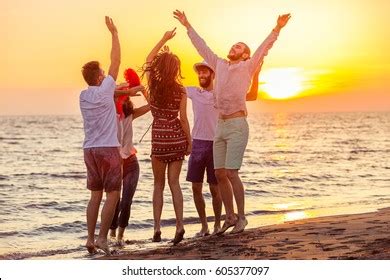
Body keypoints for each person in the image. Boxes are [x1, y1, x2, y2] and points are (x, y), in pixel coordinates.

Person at [174, 10, 291, 234]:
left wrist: (277, 28)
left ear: (246, 55)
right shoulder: (218, 64)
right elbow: (202, 47)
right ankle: (229, 216)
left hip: (237, 125)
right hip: (221, 125)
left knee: (231, 173)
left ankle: (242, 217)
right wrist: (188, 25)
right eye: (234, 45)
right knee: (219, 174)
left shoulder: (248, 67)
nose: (234, 47)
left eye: (239, 47)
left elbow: (265, 47)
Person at [186, 61, 263, 237]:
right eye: (200, 72)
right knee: (196, 188)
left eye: (206, 72)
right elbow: (172, 88)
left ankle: (218, 224)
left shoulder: (222, 93)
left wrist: (256, 74)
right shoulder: (193, 91)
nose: (202, 75)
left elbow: (251, 95)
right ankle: (204, 226)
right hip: (197, 143)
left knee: (217, 186)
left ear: (214, 74)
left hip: (216, 141)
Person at [142, 28, 192, 245]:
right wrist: (189, 142)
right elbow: (183, 118)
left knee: (158, 185)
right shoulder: (181, 91)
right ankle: (180, 225)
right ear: (176, 69)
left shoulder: (153, 86)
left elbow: (148, 59)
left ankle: (157, 228)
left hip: (160, 141)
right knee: (175, 184)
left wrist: (163, 38)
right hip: (177, 140)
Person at [109, 90, 150, 246]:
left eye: (127, 100)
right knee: (114, 201)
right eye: (122, 99)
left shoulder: (131, 115)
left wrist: (143, 90)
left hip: (131, 163)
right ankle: (111, 231)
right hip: (114, 163)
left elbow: (151, 105)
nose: (125, 101)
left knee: (126, 201)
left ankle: (120, 235)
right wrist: (128, 90)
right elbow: (111, 94)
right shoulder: (110, 115)